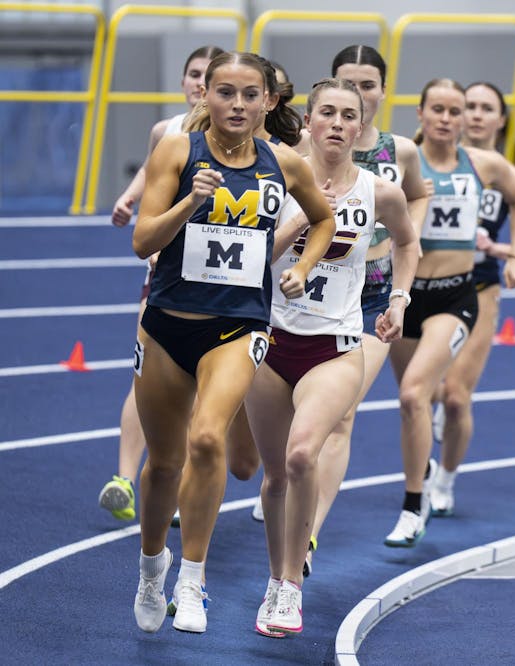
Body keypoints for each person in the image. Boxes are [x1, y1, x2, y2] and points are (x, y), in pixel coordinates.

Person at [130, 51, 336, 635]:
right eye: (225, 93)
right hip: (168, 324)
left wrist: (302, 267)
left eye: (251, 95)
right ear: (206, 98)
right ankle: (152, 568)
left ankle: (192, 583)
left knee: (206, 439)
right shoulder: (177, 151)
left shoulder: (284, 162)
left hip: (239, 327)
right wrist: (190, 202)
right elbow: (143, 242)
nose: (238, 105)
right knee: (164, 464)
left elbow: (323, 219)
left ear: (269, 102)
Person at [245, 77, 419, 637]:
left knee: (302, 456)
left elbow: (408, 242)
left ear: (361, 124)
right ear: (310, 121)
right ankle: (276, 579)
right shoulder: (273, 177)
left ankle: (291, 585)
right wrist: (304, 220)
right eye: (328, 113)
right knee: (271, 476)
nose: (338, 123)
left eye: (350, 114)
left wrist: (398, 297)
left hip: (337, 346)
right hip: (271, 342)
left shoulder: (378, 190)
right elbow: (251, 260)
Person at [289, 44, 430, 576]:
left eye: (367, 87)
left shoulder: (400, 150)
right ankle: (291, 482)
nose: (358, 98)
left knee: (341, 417)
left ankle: (308, 538)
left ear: (381, 92)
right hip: (298, 299)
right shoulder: (300, 147)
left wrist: (392, 248)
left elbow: (412, 200)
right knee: (284, 433)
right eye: (346, 87)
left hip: (368, 297)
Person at [383, 78, 515, 547]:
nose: (448, 119)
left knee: (414, 396)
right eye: (439, 110)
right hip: (408, 295)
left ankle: (415, 502)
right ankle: (422, 468)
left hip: (456, 297)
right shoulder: (404, 157)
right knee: (417, 406)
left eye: (456, 110)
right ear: (421, 113)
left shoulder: (482, 164)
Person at [99, 45, 226, 522]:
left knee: (200, 391)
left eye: (207, 76)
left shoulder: (243, 140)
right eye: (194, 74)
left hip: (219, 284)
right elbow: (152, 181)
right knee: (145, 374)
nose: (199, 83)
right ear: (184, 81)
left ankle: (178, 483)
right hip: (164, 276)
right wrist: (128, 201)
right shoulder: (167, 132)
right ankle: (124, 476)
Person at [427, 81, 515, 517]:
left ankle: (445, 479)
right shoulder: (434, 157)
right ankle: (419, 462)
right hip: (431, 284)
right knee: (425, 390)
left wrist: (508, 254)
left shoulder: (504, 176)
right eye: (469, 106)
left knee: (457, 396)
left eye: (486, 108)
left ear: (501, 120)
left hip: (479, 286)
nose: (476, 115)